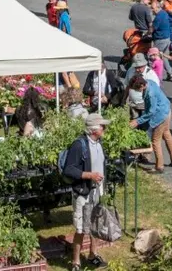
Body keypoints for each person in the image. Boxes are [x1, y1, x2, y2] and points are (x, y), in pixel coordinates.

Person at [64, 113, 111, 271]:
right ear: (93, 129)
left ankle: (92, 255)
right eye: (102, 126)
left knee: (95, 224)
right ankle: (76, 262)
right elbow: (69, 169)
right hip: (83, 193)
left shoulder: (99, 142)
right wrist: (90, 175)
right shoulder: (79, 145)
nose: (105, 128)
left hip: (97, 192)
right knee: (80, 228)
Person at [129, 76, 172, 173]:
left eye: (137, 89)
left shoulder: (150, 94)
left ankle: (159, 167)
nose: (137, 91)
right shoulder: (149, 81)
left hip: (160, 115)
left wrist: (137, 121)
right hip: (166, 110)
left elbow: (151, 112)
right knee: (166, 133)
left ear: (142, 85)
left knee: (156, 140)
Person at [123, 54, 159, 119]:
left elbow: (155, 94)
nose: (137, 69)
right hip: (132, 103)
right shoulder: (130, 70)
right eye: (135, 67)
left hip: (145, 106)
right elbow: (128, 85)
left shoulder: (151, 75)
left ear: (145, 65)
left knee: (143, 124)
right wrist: (124, 99)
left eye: (139, 67)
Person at [150, 0, 171, 72]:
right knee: (162, 56)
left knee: (153, 56)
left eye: (153, 8)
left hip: (160, 39)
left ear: (157, 8)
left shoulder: (158, 17)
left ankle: (153, 72)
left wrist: (145, 34)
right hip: (167, 38)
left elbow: (152, 29)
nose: (151, 10)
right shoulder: (164, 13)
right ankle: (170, 72)